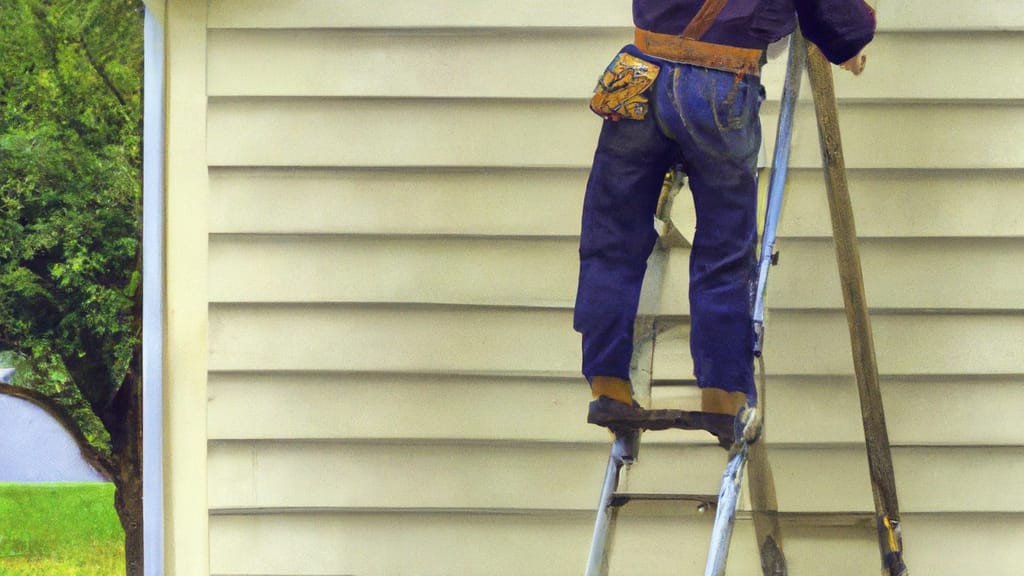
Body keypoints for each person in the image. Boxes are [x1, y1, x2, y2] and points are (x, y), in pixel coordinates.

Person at [574, 0, 876, 443]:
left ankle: (608, 385)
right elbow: (834, 14)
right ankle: (721, 393)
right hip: (719, 82)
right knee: (723, 246)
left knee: (612, 240)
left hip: (640, 73)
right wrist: (849, 38)